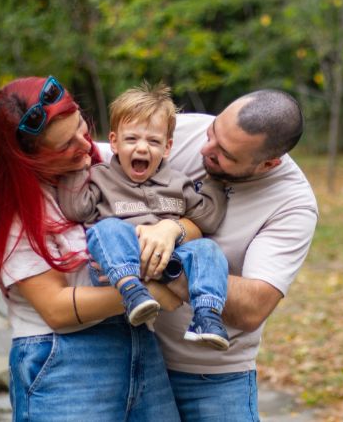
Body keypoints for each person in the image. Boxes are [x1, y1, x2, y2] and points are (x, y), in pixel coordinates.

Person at [0, 75, 181, 421]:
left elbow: (196, 152)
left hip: (139, 345)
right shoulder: (10, 210)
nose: (85, 144)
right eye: (64, 146)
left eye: (82, 126)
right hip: (64, 361)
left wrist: (171, 228)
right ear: (27, 159)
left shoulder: (104, 157)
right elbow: (55, 308)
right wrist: (150, 293)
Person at [97, 89, 318, 421]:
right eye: (213, 133)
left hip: (212, 377)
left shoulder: (292, 205)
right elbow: (87, 155)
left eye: (224, 154)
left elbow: (253, 306)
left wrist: (161, 261)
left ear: (267, 164)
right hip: (132, 357)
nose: (204, 148)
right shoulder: (186, 131)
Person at [57, 83, 231, 350]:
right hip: (115, 265)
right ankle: (133, 292)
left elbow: (206, 218)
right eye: (132, 139)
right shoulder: (101, 177)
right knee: (106, 228)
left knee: (208, 248)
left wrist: (215, 181)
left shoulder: (178, 182)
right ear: (114, 142)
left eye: (153, 141)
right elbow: (76, 209)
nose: (142, 148)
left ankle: (207, 314)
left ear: (167, 147)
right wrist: (76, 167)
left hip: (168, 263)